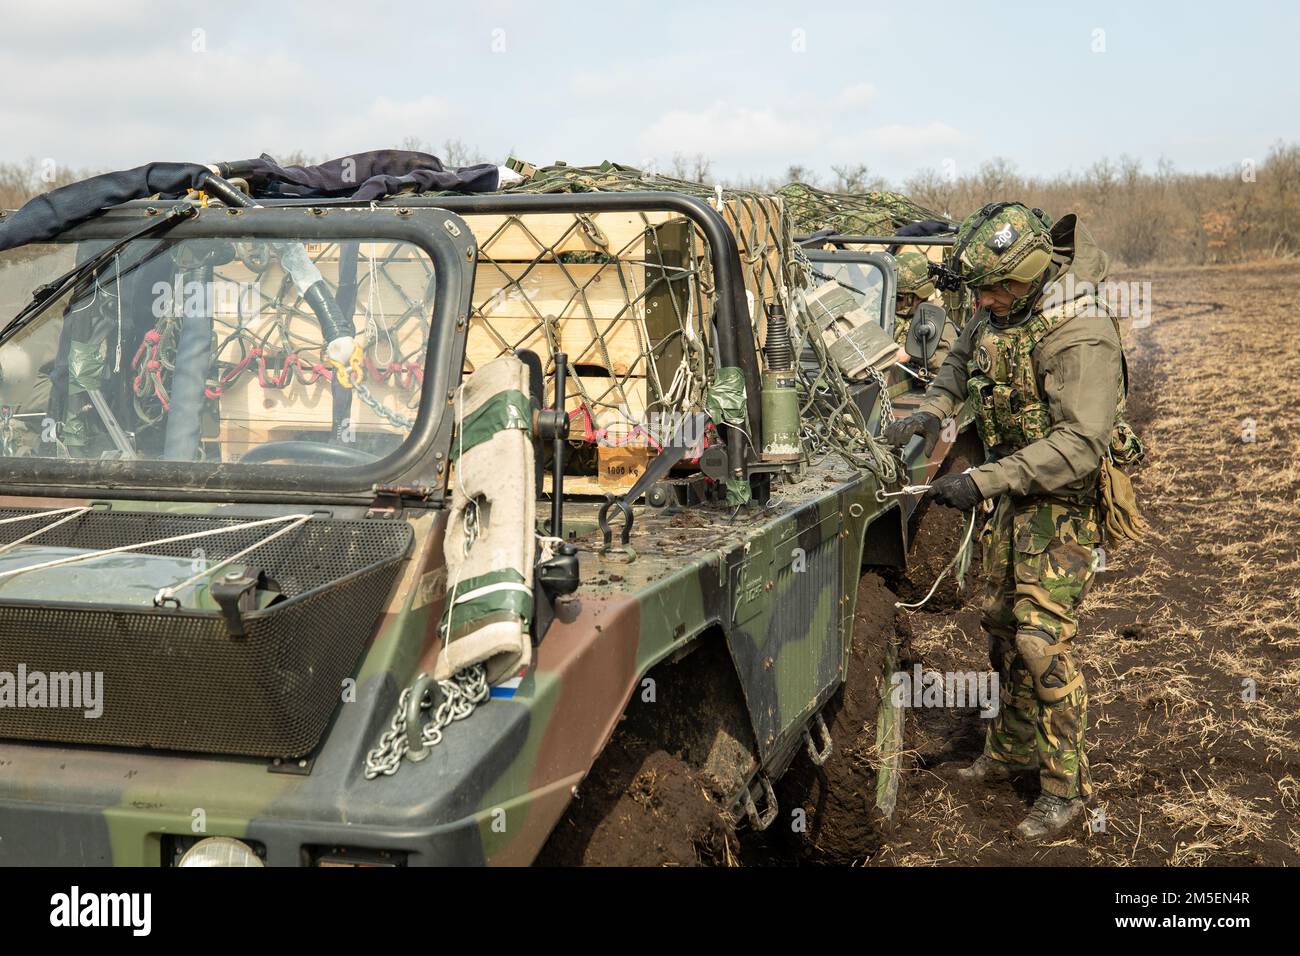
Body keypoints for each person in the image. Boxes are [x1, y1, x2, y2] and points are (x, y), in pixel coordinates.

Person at [883, 202, 1126, 841]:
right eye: (981, 292)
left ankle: (1064, 790)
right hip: (1014, 496)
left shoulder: (1081, 330)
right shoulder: (996, 306)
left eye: (996, 290)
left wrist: (982, 480)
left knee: (1039, 642)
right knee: (1000, 628)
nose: (984, 303)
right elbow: (961, 360)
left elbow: (1080, 442)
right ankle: (1010, 751)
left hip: (1063, 501)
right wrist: (933, 408)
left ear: (1032, 272)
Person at [892, 250, 955, 375]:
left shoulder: (936, 320)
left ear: (919, 297)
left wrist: (912, 354)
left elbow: (949, 364)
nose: (893, 301)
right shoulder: (881, 310)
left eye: (899, 298)